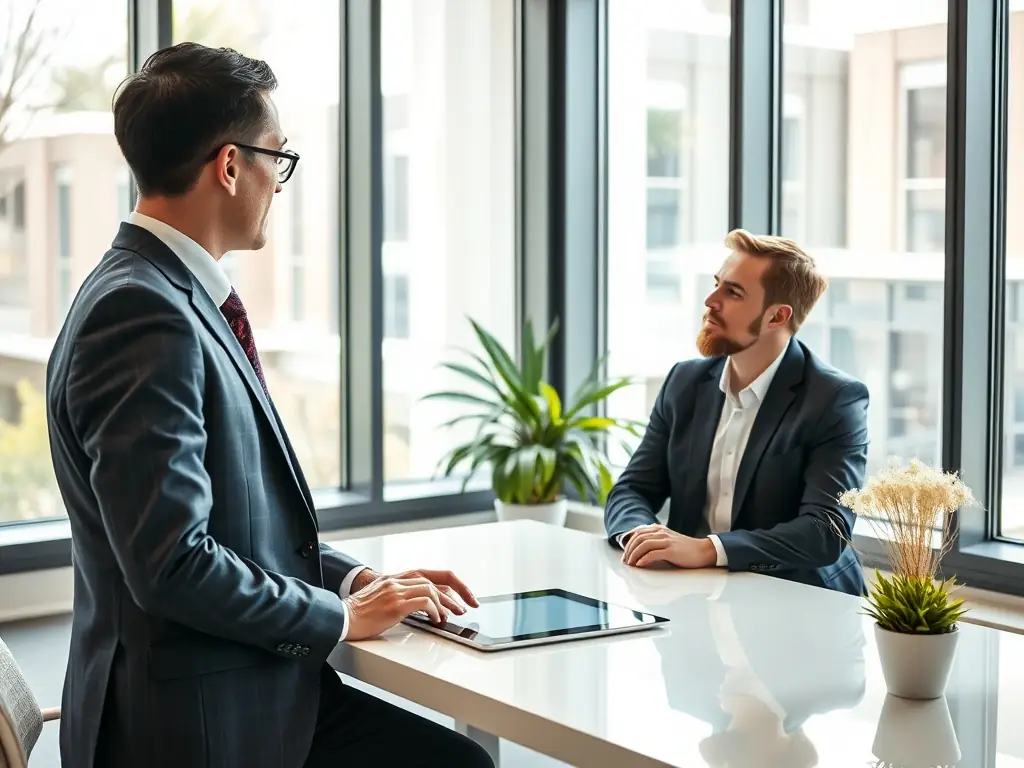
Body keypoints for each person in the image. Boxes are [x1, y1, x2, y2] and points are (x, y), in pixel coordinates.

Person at [46, 43, 493, 768]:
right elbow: (173, 566)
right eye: (276, 159)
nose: (279, 184)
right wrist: (343, 617)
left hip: (240, 690)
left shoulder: (162, 292)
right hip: (194, 725)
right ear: (229, 166)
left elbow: (235, 530)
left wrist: (354, 580)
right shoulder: (141, 313)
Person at [605, 229, 868, 596]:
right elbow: (632, 489)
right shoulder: (684, 382)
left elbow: (825, 531)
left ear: (777, 315)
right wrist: (642, 538)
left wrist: (707, 549)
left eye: (733, 292)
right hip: (694, 597)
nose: (711, 301)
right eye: (717, 284)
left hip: (798, 603)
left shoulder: (835, 399)